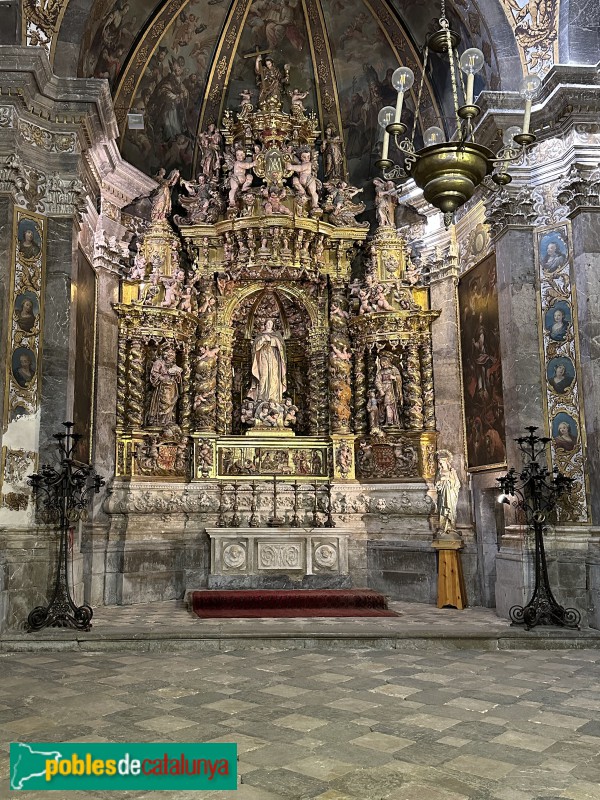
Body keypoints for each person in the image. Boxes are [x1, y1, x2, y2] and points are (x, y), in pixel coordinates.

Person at [249, 319, 287, 404]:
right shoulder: (260, 335)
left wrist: (271, 340)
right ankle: (261, 397)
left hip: (274, 358)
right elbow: (254, 348)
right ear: (265, 324)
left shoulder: (277, 335)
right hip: (263, 357)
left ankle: (274, 398)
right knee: (263, 375)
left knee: (274, 376)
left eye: (271, 323)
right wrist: (262, 340)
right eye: (268, 323)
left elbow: (282, 347)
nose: (269, 324)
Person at [147, 348, 182, 426]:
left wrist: (177, 374)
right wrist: (161, 377)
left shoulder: (173, 365)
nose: (171, 356)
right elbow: (154, 373)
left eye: (173, 354)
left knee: (171, 403)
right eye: (169, 353)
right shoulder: (159, 363)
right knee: (165, 402)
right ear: (164, 354)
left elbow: (178, 377)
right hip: (162, 387)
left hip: (172, 387)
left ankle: (168, 420)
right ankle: (159, 420)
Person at [435, 450, 461, 536]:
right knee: (442, 510)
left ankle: (451, 527)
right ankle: (442, 527)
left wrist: (448, 480)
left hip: (450, 493)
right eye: (439, 462)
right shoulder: (439, 472)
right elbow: (436, 483)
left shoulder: (452, 471)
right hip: (442, 494)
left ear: (446, 461)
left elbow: (457, 483)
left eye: (441, 462)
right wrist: (439, 482)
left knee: (450, 509)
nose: (440, 464)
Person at [374, 356, 402, 426]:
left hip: (391, 389)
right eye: (381, 363)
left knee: (388, 404)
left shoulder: (393, 369)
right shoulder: (380, 372)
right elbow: (377, 381)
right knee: (382, 407)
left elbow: (399, 378)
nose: (383, 365)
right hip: (383, 389)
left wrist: (394, 377)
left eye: (384, 363)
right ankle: (382, 420)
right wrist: (380, 390)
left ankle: (390, 421)